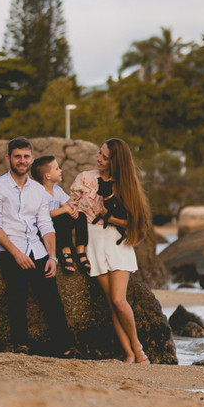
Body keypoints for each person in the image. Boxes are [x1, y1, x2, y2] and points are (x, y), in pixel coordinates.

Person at [0, 137, 78, 358]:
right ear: (9, 158)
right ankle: (21, 344)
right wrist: (16, 254)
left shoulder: (38, 190)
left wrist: (52, 257)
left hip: (37, 248)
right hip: (8, 248)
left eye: (26, 157)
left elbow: (45, 224)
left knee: (50, 293)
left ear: (32, 159)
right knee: (19, 287)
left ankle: (64, 347)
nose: (21, 160)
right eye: (17, 156)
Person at [70, 138, 150, 364]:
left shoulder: (125, 184)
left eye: (105, 157)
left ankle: (138, 347)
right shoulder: (84, 179)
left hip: (116, 242)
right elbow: (72, 208)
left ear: (116, 161)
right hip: (92, 240)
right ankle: (130, 354)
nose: (99, 159)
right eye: (99, 154)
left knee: (118, 299)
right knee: (110, 300)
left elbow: (136, 223)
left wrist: (110, 217)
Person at [30, 155, 88, 274]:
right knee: (61, 219)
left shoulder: (57, 190)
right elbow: (43, 215)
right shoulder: (39, 192)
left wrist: (73, 211)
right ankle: (65, 252)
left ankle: (80, 250)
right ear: (48, 176)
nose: (60, 170)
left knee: (81, 216)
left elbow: (67, 206)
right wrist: (64, 210)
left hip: (59, 224)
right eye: (57, 169)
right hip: (44, 228)